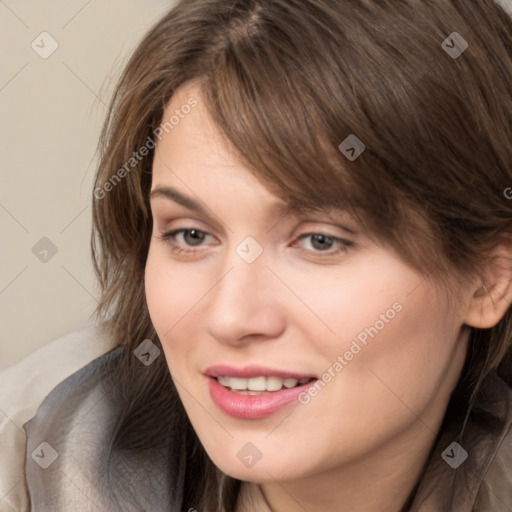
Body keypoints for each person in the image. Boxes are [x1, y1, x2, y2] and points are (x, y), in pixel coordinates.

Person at [1, 0, 512, 510]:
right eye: (192, 235)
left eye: (320, 240)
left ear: (490, 278)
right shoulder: (25, 461)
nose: (230, 317)